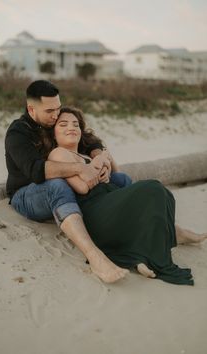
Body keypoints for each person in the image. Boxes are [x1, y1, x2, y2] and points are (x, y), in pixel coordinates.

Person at [48, 106, 207, 285]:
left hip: (109, 202)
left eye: (75, 124)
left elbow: (117, 172)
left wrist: (103, 157)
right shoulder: (58, 153)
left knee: (164, 194)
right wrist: (100, 162)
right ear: (54, 134)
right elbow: (82, 188)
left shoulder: (85, 154)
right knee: (153, 188)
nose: (71, 127)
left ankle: (141, 259)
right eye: (63, 124)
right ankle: (156, 256)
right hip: (94, 211)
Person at [5, 80, 130, 283]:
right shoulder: (17, 133)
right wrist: (82, 167)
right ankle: (94, 256)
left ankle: (142, 232)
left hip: (66, 184)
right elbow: (36, 171)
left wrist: (99, 158)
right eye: (50, 111)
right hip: (26, 194)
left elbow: (88, 138)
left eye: (58, 108)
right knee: (57, 186)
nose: (55, 115)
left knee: (119, 178)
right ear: (31, 109)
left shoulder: (51, 119)